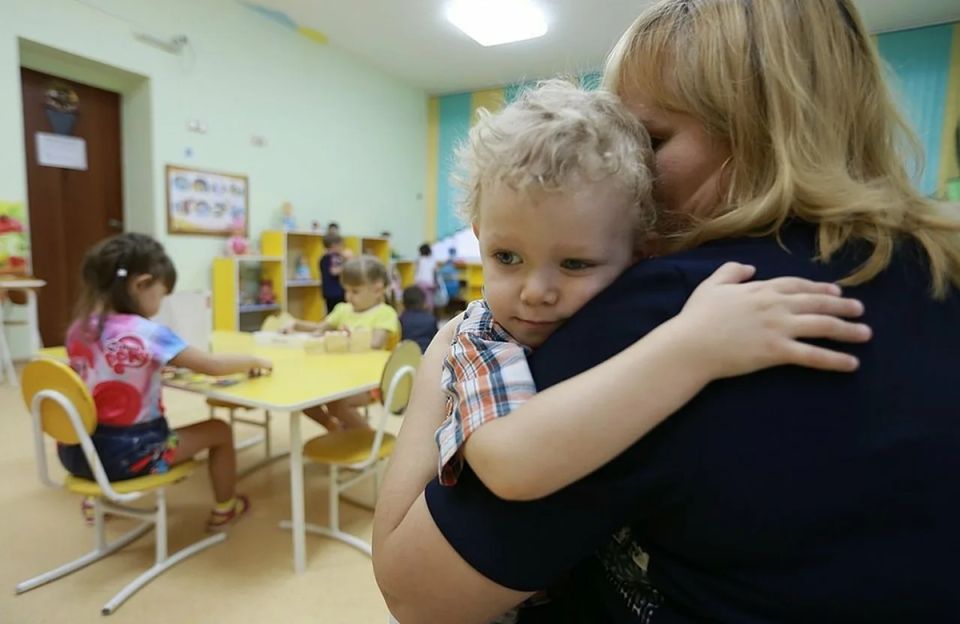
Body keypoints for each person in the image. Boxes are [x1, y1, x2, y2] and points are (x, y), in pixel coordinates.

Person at [372, 1, 960, 622]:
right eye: (506, 256)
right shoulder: (935, 277)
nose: (634, 182)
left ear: (757, 131)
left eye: (648, 142)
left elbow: (415, 591)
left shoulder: (665, 304)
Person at [62, 233, 272, 530]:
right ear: (141, 284)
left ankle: (95, 501)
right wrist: (255, 360)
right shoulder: (148, 332)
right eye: (161, 294)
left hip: (77, 455)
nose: (161, 303)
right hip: (133, 459)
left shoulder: (79, 328)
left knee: (106, 423)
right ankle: (227, 508)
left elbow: (103, 371)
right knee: (219, 430)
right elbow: (212, 366)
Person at [288, 255, 400, 431]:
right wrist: (296, 324)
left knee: (338, 404)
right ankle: (333, 427)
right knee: (301, 395)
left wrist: (344, 336)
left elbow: (376, 343)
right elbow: (320, 328)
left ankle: (368, 439)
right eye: (346, 290)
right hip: (337, 376)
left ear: (377, 289)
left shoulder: (385, 313)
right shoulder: (343, 310)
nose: (348, 297)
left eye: (355, 291)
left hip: (370, 382)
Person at [399, 285, 438, 353]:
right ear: (422, 301)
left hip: (407, 354)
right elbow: (436, 339)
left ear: (404, 302)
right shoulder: (431, 319)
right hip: (427, 353)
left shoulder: (402, 319)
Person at [319, 234, 346, 312]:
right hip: (335, 293)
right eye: (341, 245)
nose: (342, 248)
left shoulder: (324, 258)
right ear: (334, 245)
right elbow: (334, 271)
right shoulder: (333, 257)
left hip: (331, 292)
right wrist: (347, 263)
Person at [415, 242, 436, 311]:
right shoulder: (432, 260)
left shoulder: (419, 260)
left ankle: (421, 315)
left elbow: (416, 271)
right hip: (429, 283)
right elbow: (434, 272)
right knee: (429, 301)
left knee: (420, 301)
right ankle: (429, 315)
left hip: (420, 283)